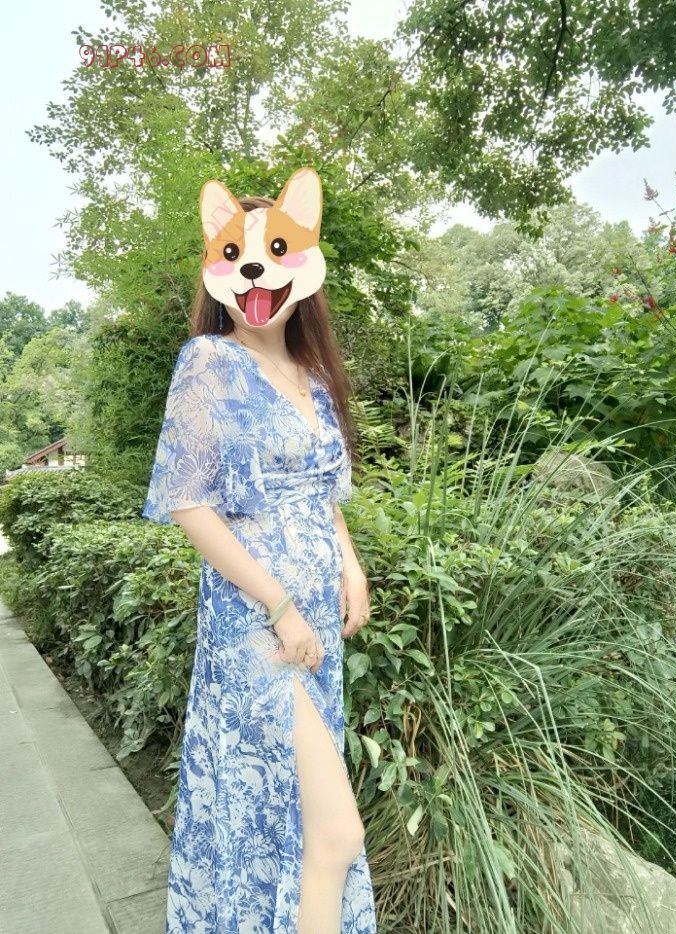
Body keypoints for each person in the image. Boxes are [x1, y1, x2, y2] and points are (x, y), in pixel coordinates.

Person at [142, 167, 378, 933]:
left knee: (295, 821)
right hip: (255, 622)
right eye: (238, 257)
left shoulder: (313, 375)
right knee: (337, 833)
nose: (257, 273)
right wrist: (277, 603)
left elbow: (324, 492)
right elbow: (189, 502)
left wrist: (350, 565)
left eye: (275, 253)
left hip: (315, 623)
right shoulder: (209, 364)